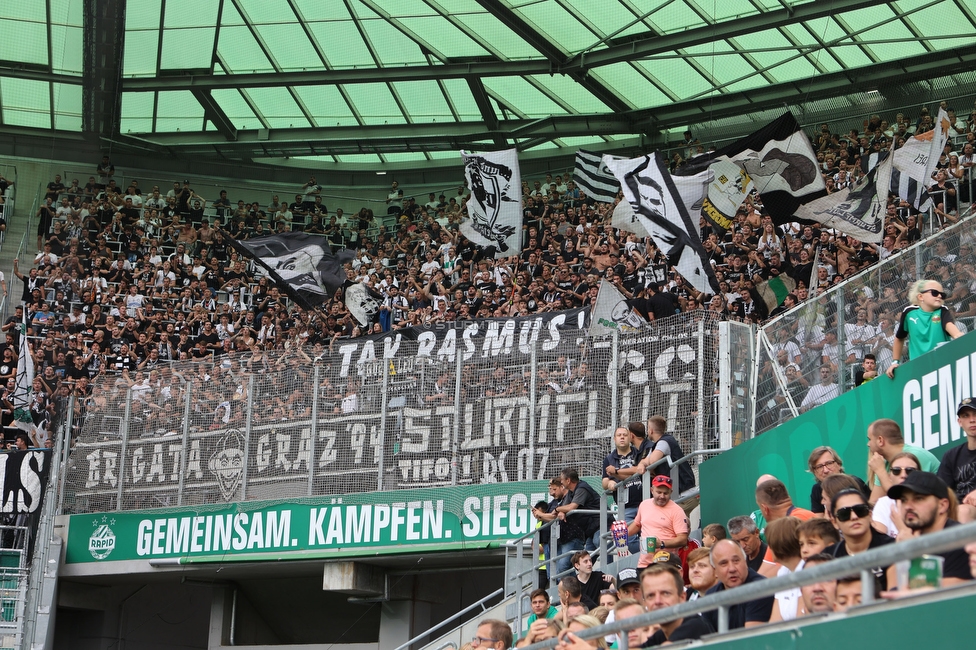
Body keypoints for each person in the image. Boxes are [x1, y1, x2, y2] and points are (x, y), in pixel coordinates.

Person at [886, 471, 972, 586]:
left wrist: (915, 554)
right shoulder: (906, 539)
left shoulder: (962, 540)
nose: (908, 506)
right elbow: (893, 588)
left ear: (942, 505)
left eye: (919, 498)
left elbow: (952, 590)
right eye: (903, 500)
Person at [887, 279, 962, 377]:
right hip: (918, 369)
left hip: (942, 366)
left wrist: (959, 336)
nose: (939, 296)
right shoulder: (909, 313)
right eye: (934, 293)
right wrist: (895, 362)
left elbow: (951, 328)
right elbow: (899, 338)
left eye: (942, 295)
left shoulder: (943, 311)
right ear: (920, 296)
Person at [825, 488, 894, 590]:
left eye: (860, 510)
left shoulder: (892, 549)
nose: (854, 517)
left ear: (870, 515)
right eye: (844, 514)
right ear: (834, 522)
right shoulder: (829, 557)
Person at [701, 540, 774, 630]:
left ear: (745, 562)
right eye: (724, 563)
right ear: (715, 571)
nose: (732, 569)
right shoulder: (711, 596)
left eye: (736, 561)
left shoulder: (760, 588)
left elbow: (753, 639)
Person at [867, 418, 940, 503]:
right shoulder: (883, 464)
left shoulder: (915, 456)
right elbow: (874, 502)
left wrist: (881, 472)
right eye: (896, 471)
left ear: (880, 440)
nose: (868, 444)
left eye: (869, 439)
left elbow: (907, 497)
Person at [641, 563, 714, 645]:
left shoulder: (696, 625)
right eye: (651, 595)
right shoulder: (660, 635)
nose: (657, 601)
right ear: (644, 602)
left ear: (682, 597)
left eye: (665, 593)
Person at [627, 475, 689, 568]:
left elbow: (683, 539)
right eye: (659, 492)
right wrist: (622, 535)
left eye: (666, 493)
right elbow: (637, 524)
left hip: (666, 563)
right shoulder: (644, 504)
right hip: (644, 564)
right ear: (652, 490)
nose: (662, 496)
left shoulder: (677, 511)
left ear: (671, 492)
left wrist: (662, 544)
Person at [602, 426, 642, 554]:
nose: (622, 437)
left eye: (625, 434)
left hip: (645, 502)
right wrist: (611, 482)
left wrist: (617, 473)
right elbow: (604, 482)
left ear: (630, 437)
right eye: (619, 435)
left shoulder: (639, 453)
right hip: (625, 507)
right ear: (614, 439)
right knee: (625, 540)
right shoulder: (609, 459)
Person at [937, 397, 976, 522]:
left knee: (963, 511)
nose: (972, 420)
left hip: (967, 512)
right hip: (957, 509)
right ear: (959, 422)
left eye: (975, 414)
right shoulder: (951, 456)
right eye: (966, 416)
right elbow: (941, 491)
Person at [637, 415, 696, 495]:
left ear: (651, 430)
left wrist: (649, 466)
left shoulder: (664, 442)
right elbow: (646, 461)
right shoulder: (658, 444)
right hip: (678, 491)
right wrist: (642, 464)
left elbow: (652, 461)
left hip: (684, 491)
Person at [806, 445, 869, 515]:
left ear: (838, 464)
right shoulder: (816, 489)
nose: (825, 470)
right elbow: (819, 520)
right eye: (819, 467)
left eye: (829, 463)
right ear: (814, 472)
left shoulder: (853, 482)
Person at [872, 452, 921, 538]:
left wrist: (902, 527)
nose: (903, 475)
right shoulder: (884, 503)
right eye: (896, 471)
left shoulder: (928, 502)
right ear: (889, 476)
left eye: (910, 471)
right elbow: (878, 542)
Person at [766, 517, 804, 622]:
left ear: (779, 544)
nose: (769, 548)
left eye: (770, 543)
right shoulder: (783, 572)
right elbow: (775, 621)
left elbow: (802, 624)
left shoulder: (807, 571)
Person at [557, 468, 603, 552]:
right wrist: (561, 510)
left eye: (562, 480)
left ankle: (610, 565)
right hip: (591, 528)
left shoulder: (582, 488)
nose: (561, 482)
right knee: (587, 557)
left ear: (568, 480)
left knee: (601, 545)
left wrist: (557, 509)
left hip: (601, 524)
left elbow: (571, 507)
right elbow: (565, 506)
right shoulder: (571, 492)